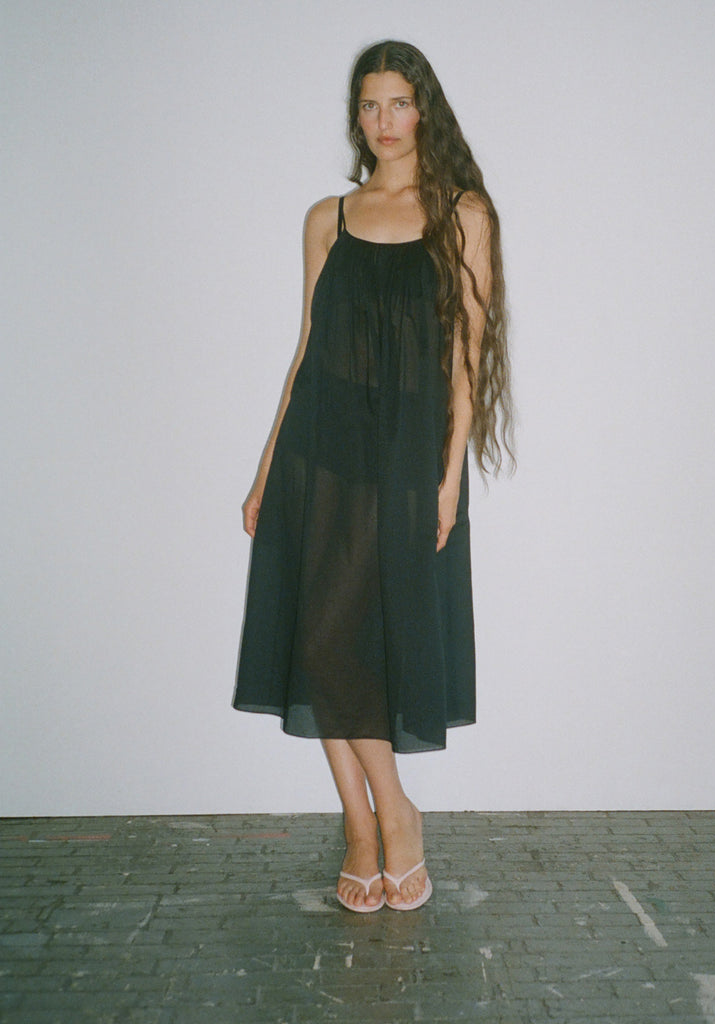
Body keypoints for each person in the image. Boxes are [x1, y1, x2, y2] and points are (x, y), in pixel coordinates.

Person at [233, 40, 513, 912]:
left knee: (360, 645)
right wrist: (265, 467)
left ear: (423, 108)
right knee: (319, 642)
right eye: (367, 106)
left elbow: (466, 355)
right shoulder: (329, 216)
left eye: (397, 103)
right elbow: (307, 351)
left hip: (403, 454)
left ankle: (390, 817)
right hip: (320, 448)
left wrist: (447, 476)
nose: (381, 122)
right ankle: (373, 822)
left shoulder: (461, 212)